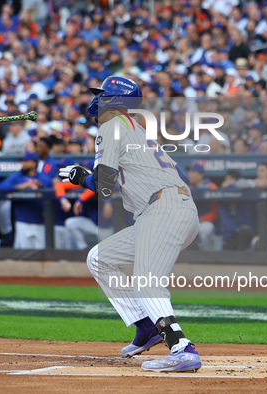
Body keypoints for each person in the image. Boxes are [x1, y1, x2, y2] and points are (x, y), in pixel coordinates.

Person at [59, 76, 201, 372]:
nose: (98, 100)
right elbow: (184, 177)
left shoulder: (111, 126)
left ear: (117, 100)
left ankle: (181, 347)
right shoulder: (140, 131)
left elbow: (104, 186)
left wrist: (81, 177)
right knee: (100, 258)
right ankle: (146, 326)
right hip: (171, 208)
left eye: (104, 95)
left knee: (147, 281)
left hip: (162, 209)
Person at [0, 152, 52, 249]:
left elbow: (52, 194)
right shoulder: (18, 177)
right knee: (26, 253)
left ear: (34, 163)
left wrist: (41, 187)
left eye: (26, 161)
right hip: (23, 220)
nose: (24, 163)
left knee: (43, 252)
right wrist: (21, 186)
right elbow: (1, 187)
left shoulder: (44, 178)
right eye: (23, 161)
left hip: (41, 221)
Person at [187, 161, 221, 251]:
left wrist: (203, 219)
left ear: (201, 175)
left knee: (206, 228)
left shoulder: (211, 186)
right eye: (189, 172)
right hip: (191, 221)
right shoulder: (187, 187)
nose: (190, 174)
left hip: (206, 222)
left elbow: (216, 211)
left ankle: (204, 253)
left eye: (193, 172)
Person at [219, 170, 254, 251]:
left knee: (243, 231)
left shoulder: (245, 193)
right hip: (229, 233)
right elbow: (225, 218)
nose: (227, 182)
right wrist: (234, 229)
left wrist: (230, 185)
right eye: (226, 179)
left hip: (244, 231)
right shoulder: (222, 198)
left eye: (230, 179)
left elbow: (247, 216)